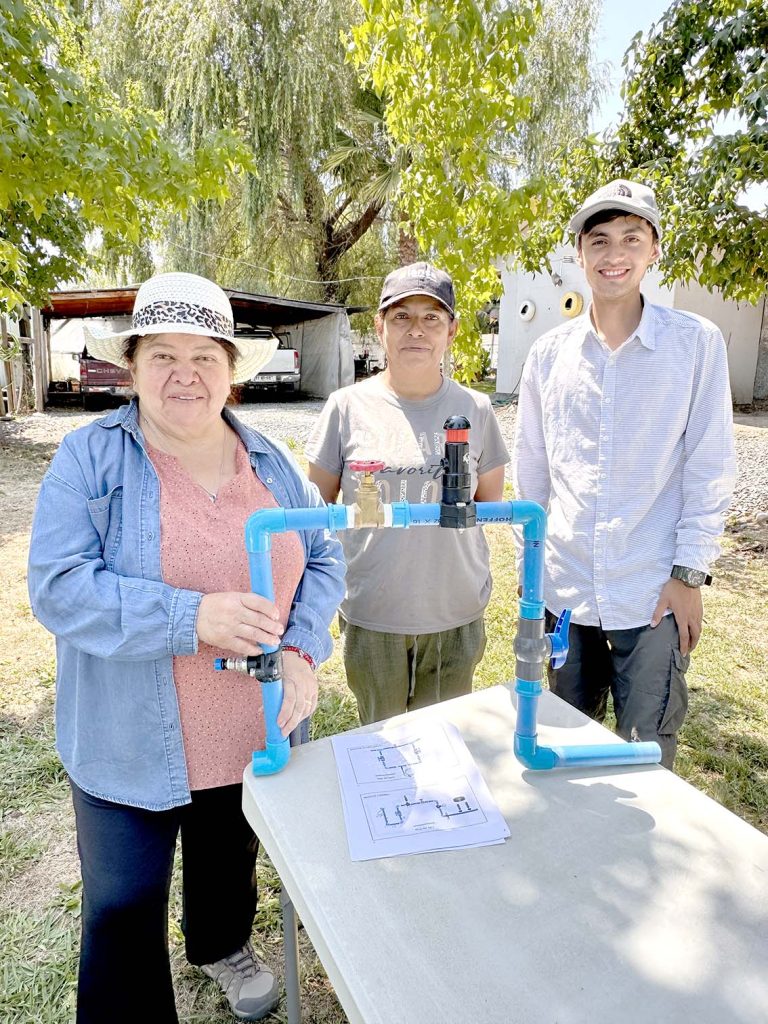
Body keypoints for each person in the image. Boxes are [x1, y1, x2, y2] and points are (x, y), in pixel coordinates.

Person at [27, 272, 345, 1023]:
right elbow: (59, 586)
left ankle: (220, 945)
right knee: (120, 907)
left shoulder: (271, 461)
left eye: (204, 355)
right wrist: (189, 616)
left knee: (227, 865)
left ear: (231, 370)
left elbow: (324, 559)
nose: (184, 374)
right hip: (128, 741)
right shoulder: (89, 460)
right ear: (130, 367)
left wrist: (300, 650)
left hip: (249, 730)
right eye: (162, 356)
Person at [513, 179, 737, 769]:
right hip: (563, 594)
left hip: (652, 594)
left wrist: (689, 575)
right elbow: (532, 478)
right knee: (559, 752)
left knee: (646, 761)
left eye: (631, 238)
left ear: (655, 248)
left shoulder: (696, 345)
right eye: (600, 240)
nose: (615, 255)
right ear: (579, 253)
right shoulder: (547, 356)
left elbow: (709, 466)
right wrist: (530, 579)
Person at [306, 262, 509, 725]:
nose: (415, 330)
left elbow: (493, 511)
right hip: (374, 612)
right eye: (401, 316)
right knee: (380, 750)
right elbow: (314, 516)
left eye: (431, 317)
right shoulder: (346, 407)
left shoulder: (475, 408)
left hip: (453, 612)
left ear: (451, 330)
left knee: (445, 749)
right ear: (379, 327)